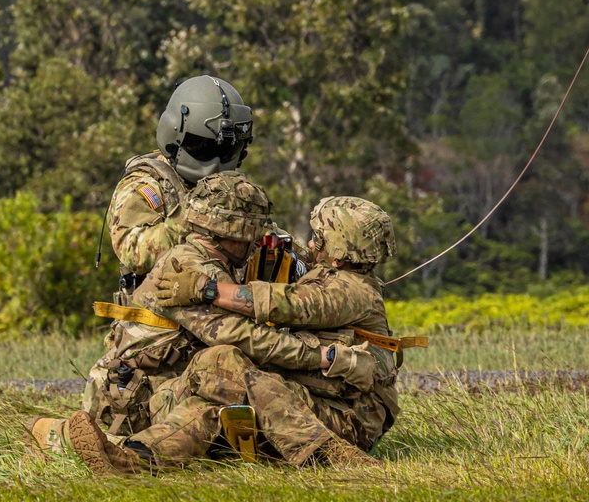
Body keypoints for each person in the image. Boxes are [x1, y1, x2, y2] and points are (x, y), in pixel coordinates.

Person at [26, 174, 378, 473]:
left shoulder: (217, 260)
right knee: (221, 362)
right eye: (250, 234)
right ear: (229, 231)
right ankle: (325, 453)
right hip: (137, 397)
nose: (257, 241)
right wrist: (320, 357)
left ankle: (130, 461)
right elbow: (243, 339)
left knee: (215, 402)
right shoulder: (186, 267)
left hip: (175, 384)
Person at [151, 195, 401, 454]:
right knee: (203, 406)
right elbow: (299, 256)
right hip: (326, 401)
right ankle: (139, 455)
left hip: (351, 420)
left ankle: (329, 453)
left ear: (338, 252)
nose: (313, 244)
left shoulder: (351, 293)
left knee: (221, 362)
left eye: (319, 238)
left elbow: (285, 304)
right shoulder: (337, 273)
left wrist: (206, 289)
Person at [106, 75, 253, 298]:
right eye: (201, 147)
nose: (214, 162)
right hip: (158, 323)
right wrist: (197, 218)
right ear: (173, 135)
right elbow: (134, 250)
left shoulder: (229, 187)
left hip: (219, 312)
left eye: (224, 151)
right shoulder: (146, 184)